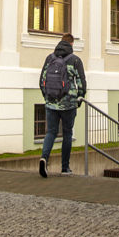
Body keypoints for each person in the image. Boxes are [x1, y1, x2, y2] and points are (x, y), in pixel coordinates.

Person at [39, 33, 86, 178]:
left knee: (51, 132)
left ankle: (44, 159)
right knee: (67, 134)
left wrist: (47, 97)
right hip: (69, 104)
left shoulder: (50, 58)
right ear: (72, 44)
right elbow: (81, 83)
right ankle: (65, 167)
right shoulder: (75, 60)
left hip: (51, 103)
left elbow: (42, 80)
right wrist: (80, 97)